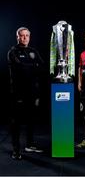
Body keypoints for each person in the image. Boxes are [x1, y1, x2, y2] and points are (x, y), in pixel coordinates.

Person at [7, 27, 44, 159]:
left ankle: (29, 144)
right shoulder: (13, 52)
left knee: (30, 120)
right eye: (22, 36)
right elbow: (21, 69)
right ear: (17, 37)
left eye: (27, 35)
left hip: (32, 92)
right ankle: (16, 150)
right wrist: (33, 67)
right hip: (18, 93)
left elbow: (42, 68)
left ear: (30, 37)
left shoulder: (33, 51)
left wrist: (31, 67)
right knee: (16, 122)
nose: (25, 38)